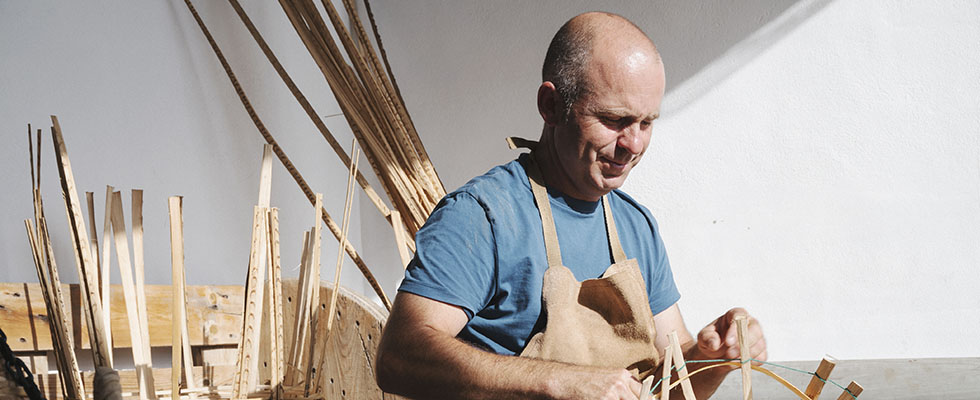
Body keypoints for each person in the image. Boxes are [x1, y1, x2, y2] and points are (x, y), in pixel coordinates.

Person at [376, 11, 767, 400]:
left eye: (647, 122)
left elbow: (674, 386)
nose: (633, 144)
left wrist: (712, 356)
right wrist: (560, 381)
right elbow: (398, 357)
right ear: (550, 105)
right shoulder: (483, 216)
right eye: (614, 119)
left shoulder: (635, 225)